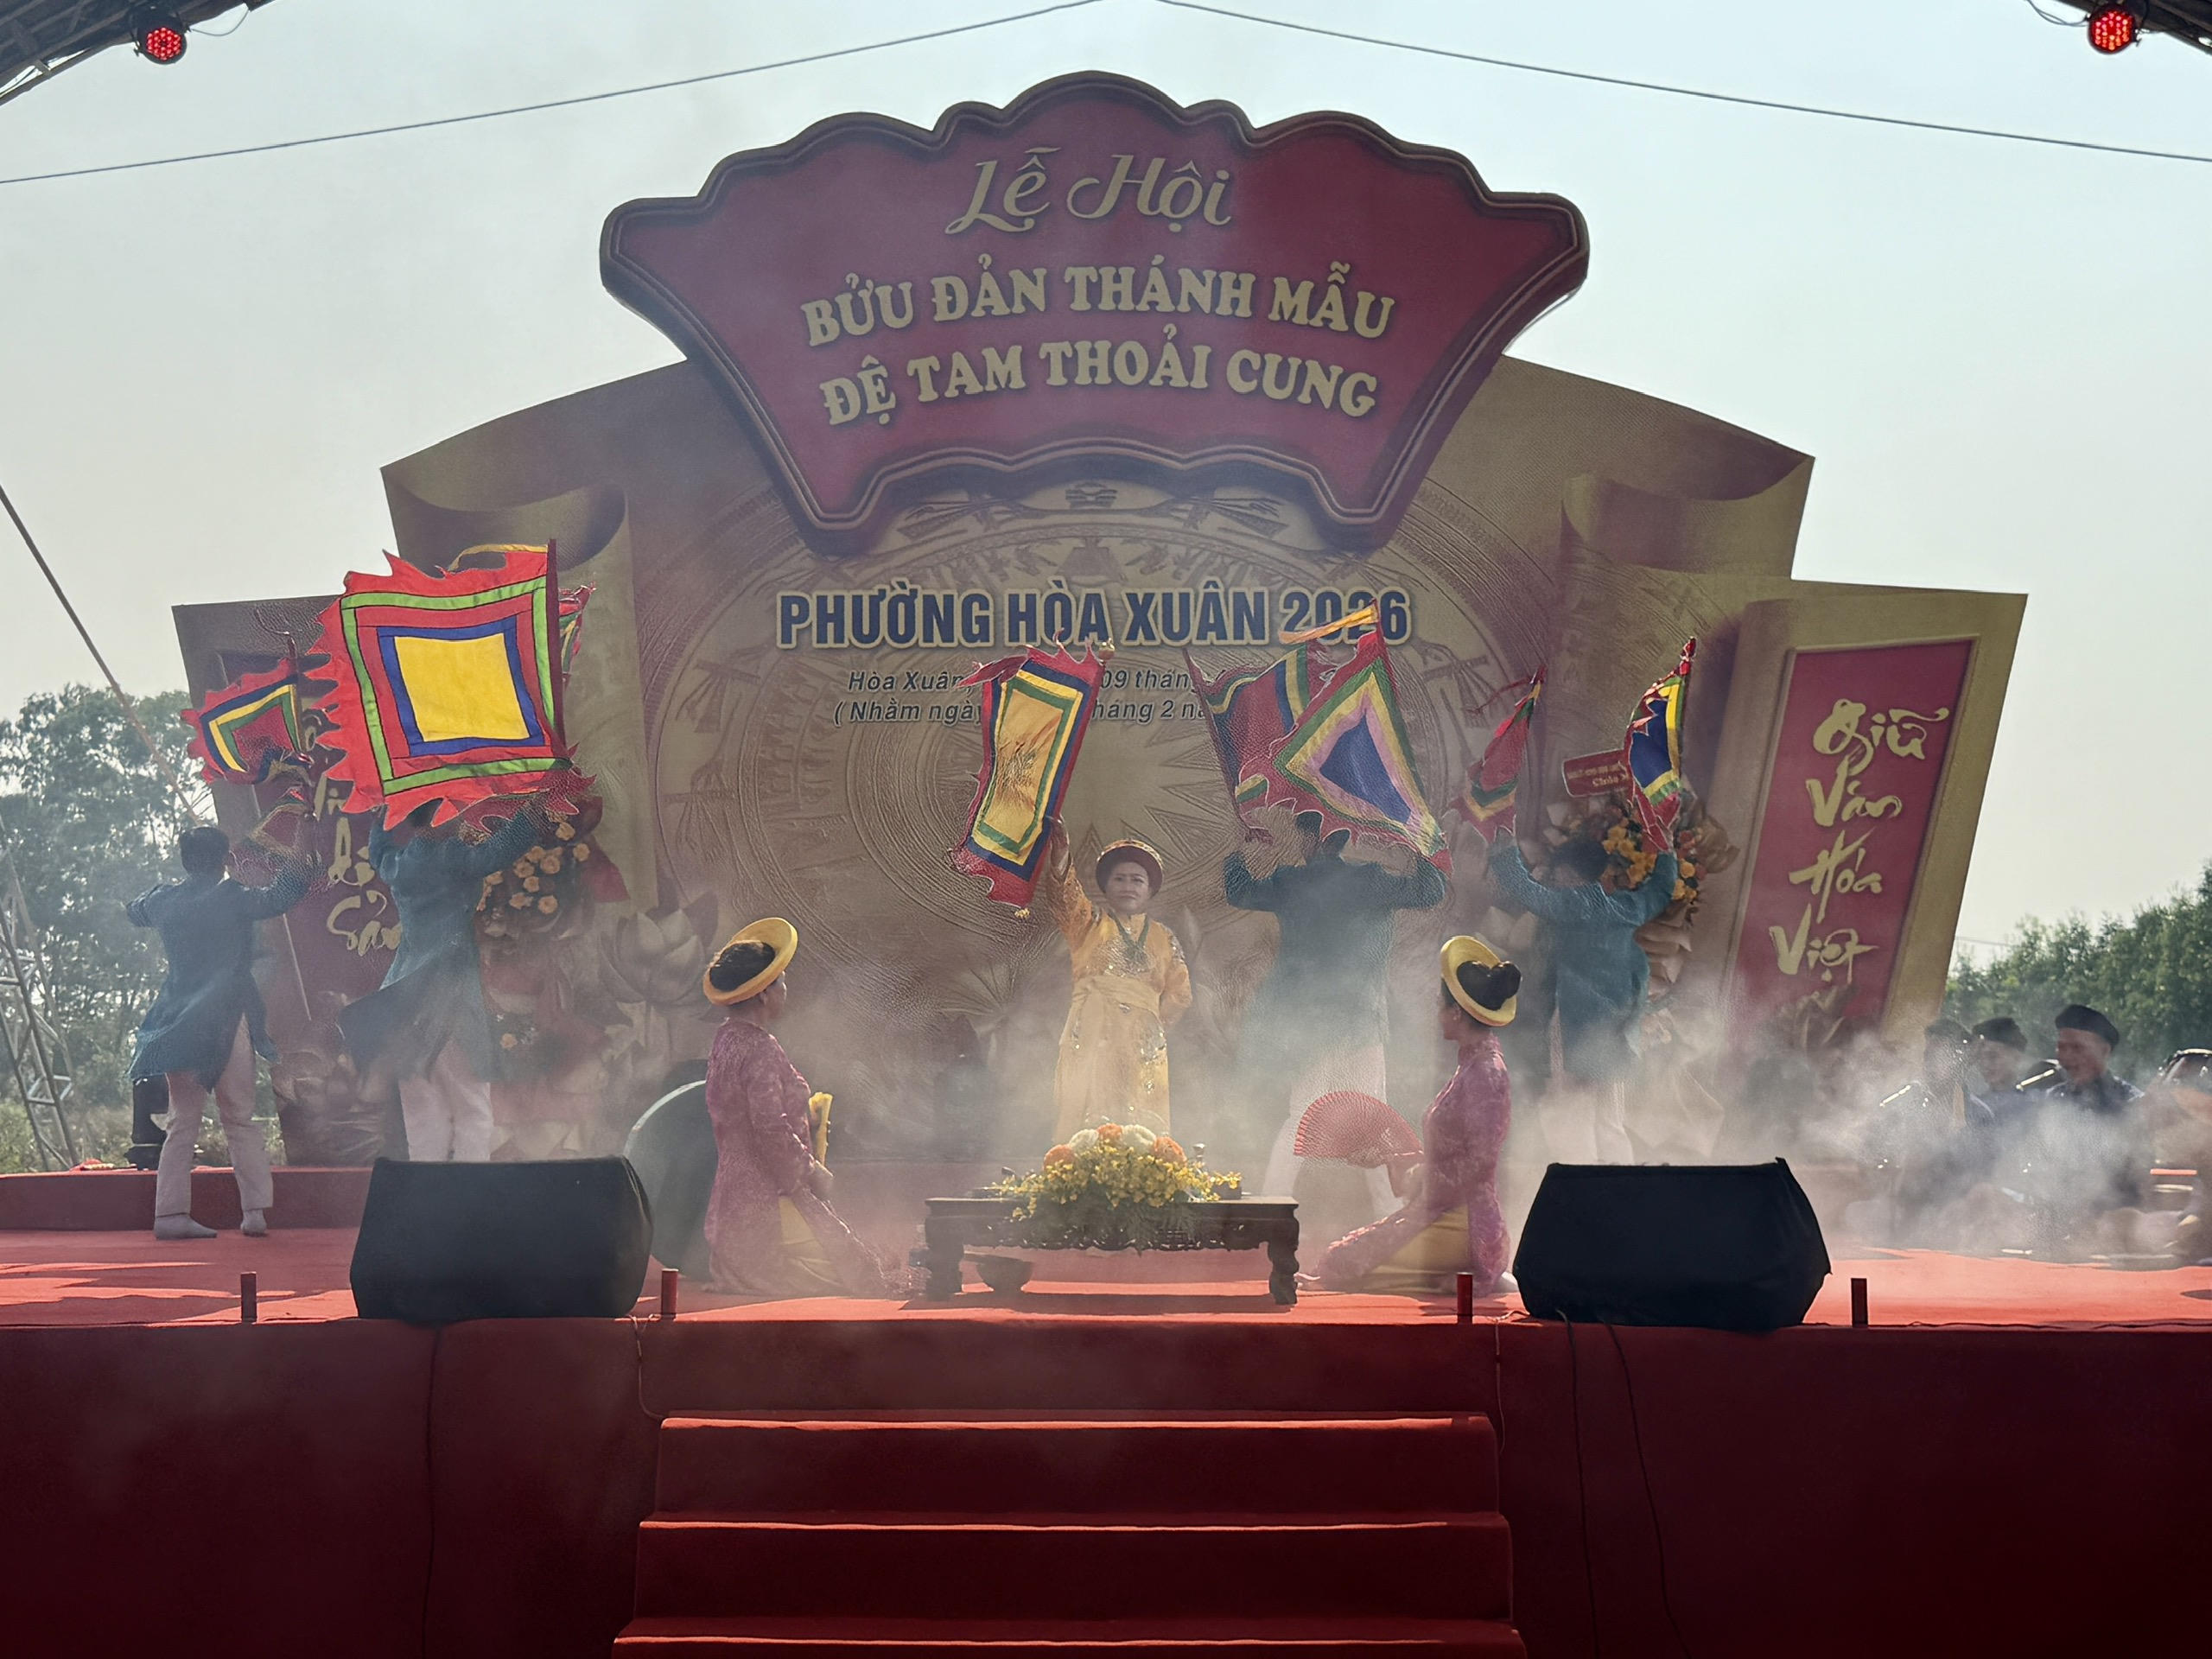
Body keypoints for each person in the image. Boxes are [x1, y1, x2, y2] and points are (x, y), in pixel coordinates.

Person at [1224, 810, 1448, 1190]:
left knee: (1302, 1118)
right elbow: (1431, 891)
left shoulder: (1292, 881)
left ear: (1310, 839)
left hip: (1310, 1025)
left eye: (1304, 836)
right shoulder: (1371, 880)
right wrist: (1420, 842)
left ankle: (1273, 1202)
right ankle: (1389, 1211)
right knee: (1373, 1122)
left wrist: (1238, 845)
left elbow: (1239, 891)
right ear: (1343, 837)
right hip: (1361, 1020)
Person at [127, 820, 314, 1241]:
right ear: (225, 859)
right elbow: (282, 895)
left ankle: (170, 1215)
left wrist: (156, 897)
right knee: (239, 1117)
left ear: (184, 860)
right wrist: (302, 845)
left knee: (182, 1121)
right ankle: (254, 1213)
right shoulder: (232, 896)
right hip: (226, 1018)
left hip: (177, 1023)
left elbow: (133, 910)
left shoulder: (165, 900)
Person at [339, 798, 547, 1161]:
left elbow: (379, 852)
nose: (461, 817)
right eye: (455, 811)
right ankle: (468, 1193)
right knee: (473, 1109)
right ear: (440, 817)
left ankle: (429, 1192)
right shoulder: (451, 857)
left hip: (405, 1000)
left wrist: (384, 814)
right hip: (450, 998)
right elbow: (498, 851)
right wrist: (535, 809)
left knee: (422, 1114)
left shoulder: (399, 864)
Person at [700, 918, 898, 1297]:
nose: (786, 990)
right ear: (763, 995)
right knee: (858, 1272)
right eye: (782, 983)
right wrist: (811, 1171)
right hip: (767, 1201)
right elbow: (769, 1128)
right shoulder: (759, 1047)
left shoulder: (725, 1039)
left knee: (860, 1258)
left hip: (730, 1205)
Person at [1317, 935, 1520, 1296]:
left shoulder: (1486, 1073)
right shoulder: (1472, 1066)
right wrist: (1410, 1166)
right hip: (1443, 1208)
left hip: (1466, 1220)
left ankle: (1472, 1272)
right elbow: (1458, 1153)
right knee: (1340, 1260)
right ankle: (1444, 1275)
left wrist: (1421, 1177)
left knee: (1343, 1265)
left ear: (1456, 1013)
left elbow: (1479, 1164)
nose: (1436, 1013)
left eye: (1439, 1005)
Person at [1486, 830, 1677, 1161]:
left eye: (1560, 873)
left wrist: (1504, 849)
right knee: (1610, 1119)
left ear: (1570, 874)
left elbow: (1526, 891)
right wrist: (1667, 854)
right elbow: (1660, 891)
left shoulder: (1574, 906)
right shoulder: (1627, 906)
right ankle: (1623, 1185)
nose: (1556, 880)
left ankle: (1579, 1181)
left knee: (1571, 1110)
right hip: (1618, 1026)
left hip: (1576, 1023)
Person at [1034, 822, 1192, 1139]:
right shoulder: (1088, 923)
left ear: (1150, 889)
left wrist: (1153, 1027)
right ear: (1106, 886)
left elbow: (1181, 994)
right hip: (1093, 1029)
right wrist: (1061, 853)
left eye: (1137, 880)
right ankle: (1083, 1160)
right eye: (1119, 879)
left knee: (1142, 1120)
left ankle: (1141, 1166)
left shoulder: (1165, 937)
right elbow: (1064, 899)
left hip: (1144, 1039)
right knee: (1091, 1108)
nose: (1128, 886)